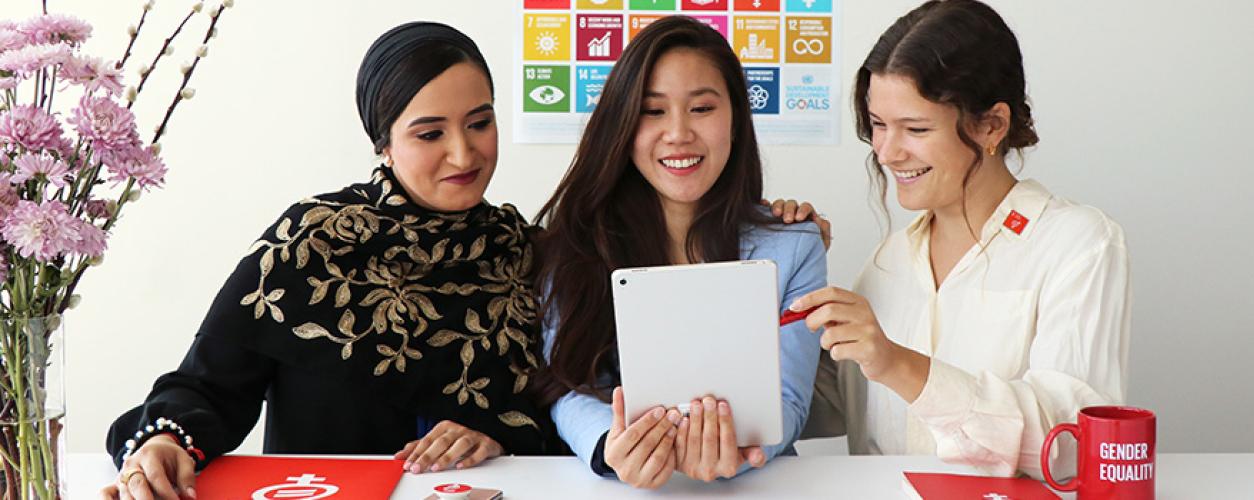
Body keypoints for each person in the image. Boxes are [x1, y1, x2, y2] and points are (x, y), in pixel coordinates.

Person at [102, 22, 556, 500]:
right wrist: (164, 440)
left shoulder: (533, 256)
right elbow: (208, 386)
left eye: (480, 124)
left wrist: (502, 433)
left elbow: (573, 410)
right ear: (384, 142)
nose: (463, 153)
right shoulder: (313, 243)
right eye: (429, 134)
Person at [797, 0, 1132, 480]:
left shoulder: (1079, 244)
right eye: (877, 125)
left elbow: (1071, 445)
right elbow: (837, 406)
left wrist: (899, 364)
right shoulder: (886, 263)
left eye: (915, 128)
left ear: (992, 125)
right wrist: (782, 276)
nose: (888, 153)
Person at [531, 16, 827, 489]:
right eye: (653, 111)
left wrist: (747, 446)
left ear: (735, 118)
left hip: (757, 485)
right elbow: (563, 386)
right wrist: (612, 446)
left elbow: (788, 401)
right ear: (623, 125)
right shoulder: (575, 241)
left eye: (702, 108)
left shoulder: (795, 245)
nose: (678, 133)